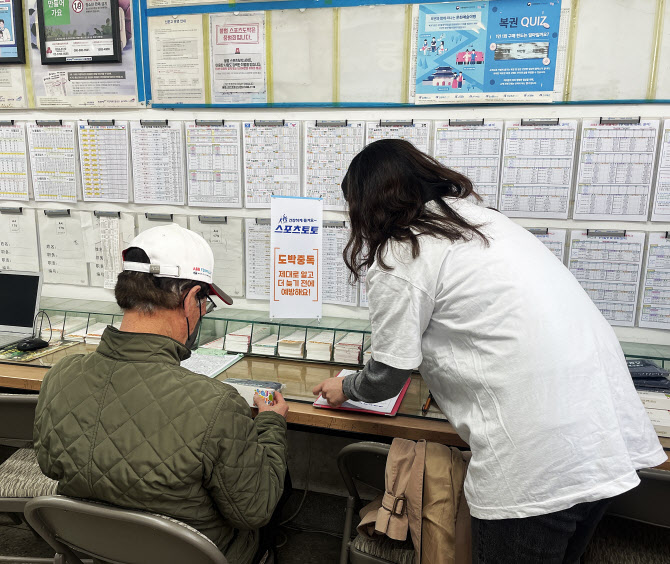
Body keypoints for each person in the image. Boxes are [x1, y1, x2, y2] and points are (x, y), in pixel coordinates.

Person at [312, 139, 666, 563]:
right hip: (604, 437)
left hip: (538, 457)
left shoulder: (403, 250)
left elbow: (388, 375)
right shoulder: (482, 222)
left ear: (365, 205)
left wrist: (345, 387)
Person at [34, 224, 289, 564]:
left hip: (92, 549)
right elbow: (254, 510)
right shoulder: (217, 404)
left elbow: (51, 468)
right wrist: (271, 421)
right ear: (189, 299)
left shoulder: (60, 377)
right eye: (205, 304)